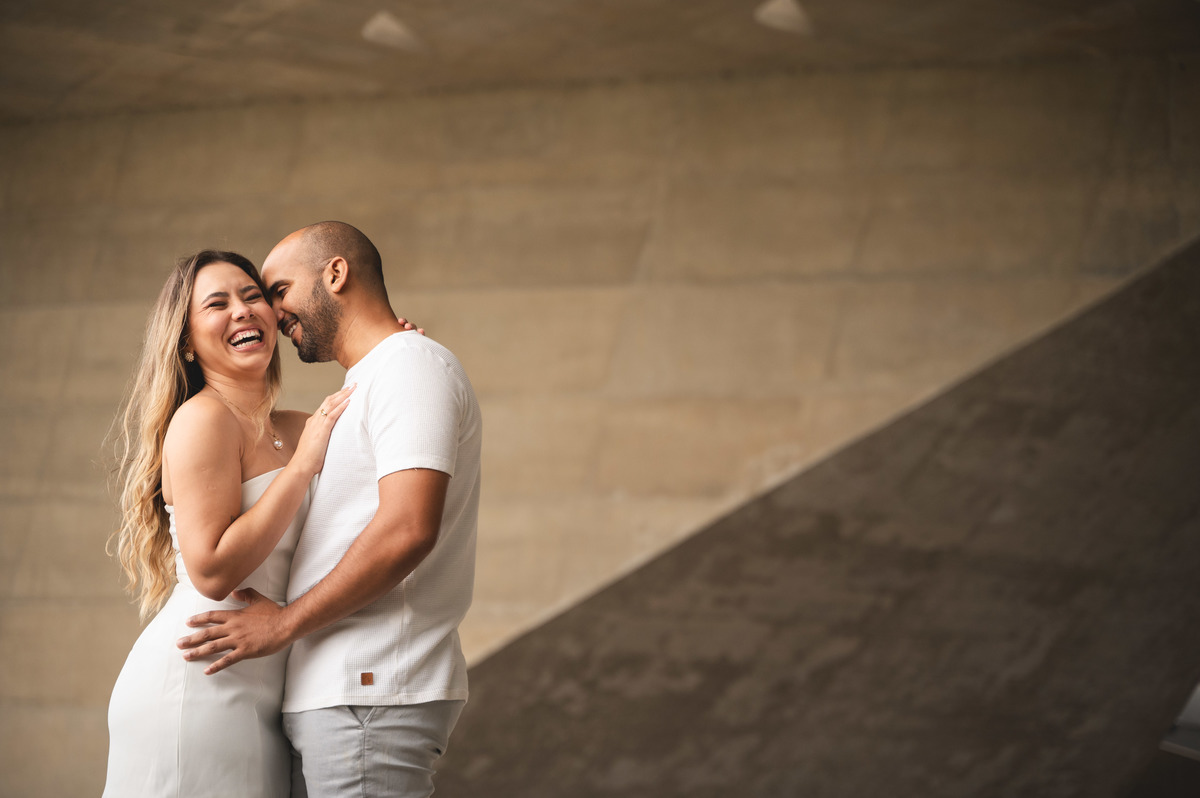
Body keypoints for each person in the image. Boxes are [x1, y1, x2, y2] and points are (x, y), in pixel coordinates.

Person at [177, 221, 482, 798]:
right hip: (333, 694)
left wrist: (283, 624)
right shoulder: (371, 380)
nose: (271, 312)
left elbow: (407, 529)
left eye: (277, 291)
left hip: (370, 690)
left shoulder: (408, 366)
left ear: (336, 274)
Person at [103, 250, 360, 797]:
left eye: (251, 296)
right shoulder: (203, 419)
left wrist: (398, 353)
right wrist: (303, 467)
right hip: (198, 684)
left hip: (266, 688)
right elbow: (212, 572)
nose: (242, 310)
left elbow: (379, 426)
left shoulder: (298, 428)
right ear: (187, 342)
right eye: (217, 304)